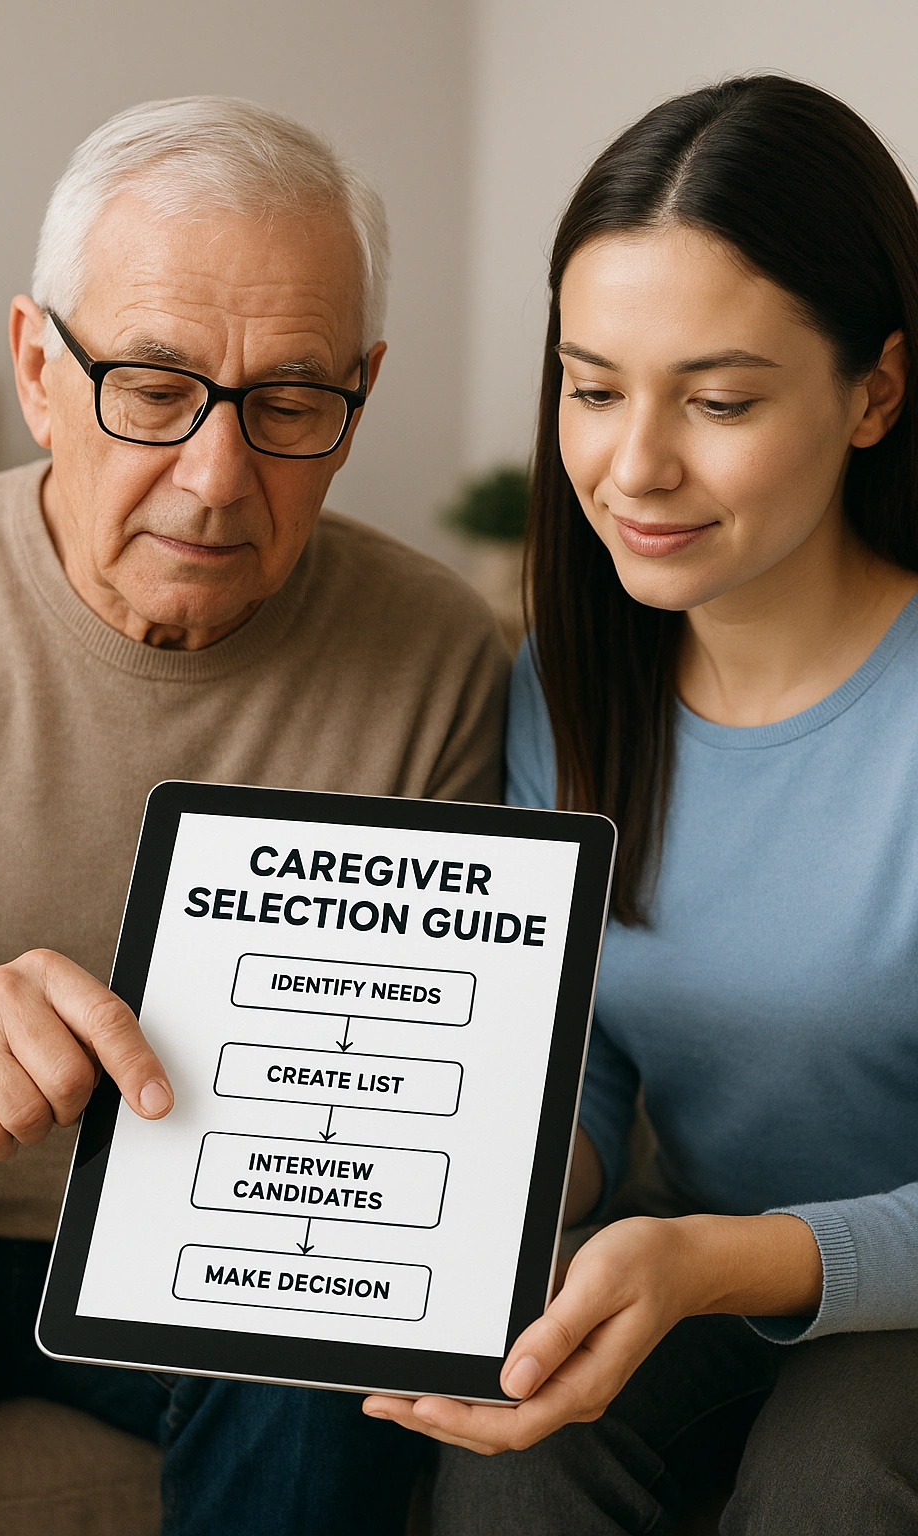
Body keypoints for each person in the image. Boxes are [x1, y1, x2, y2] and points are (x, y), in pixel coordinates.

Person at [0, 96, 506, 1534]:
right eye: (154, 389)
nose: (219, 477)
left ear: (359, 393)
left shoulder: (443, 653)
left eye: (291, 402)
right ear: (40, 370)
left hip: (224, 1268)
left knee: (328, 1354)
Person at [364, 76, 918, 1532]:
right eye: (594, 387)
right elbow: (587, 1057)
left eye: (719, 399)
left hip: (867, 1288)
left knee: (833, 1477)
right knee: (516, 1455)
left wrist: (706, 1259)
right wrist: (465, 1204)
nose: (634, 466)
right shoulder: (577, 674)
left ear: (876, 391)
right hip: (701, 1260)